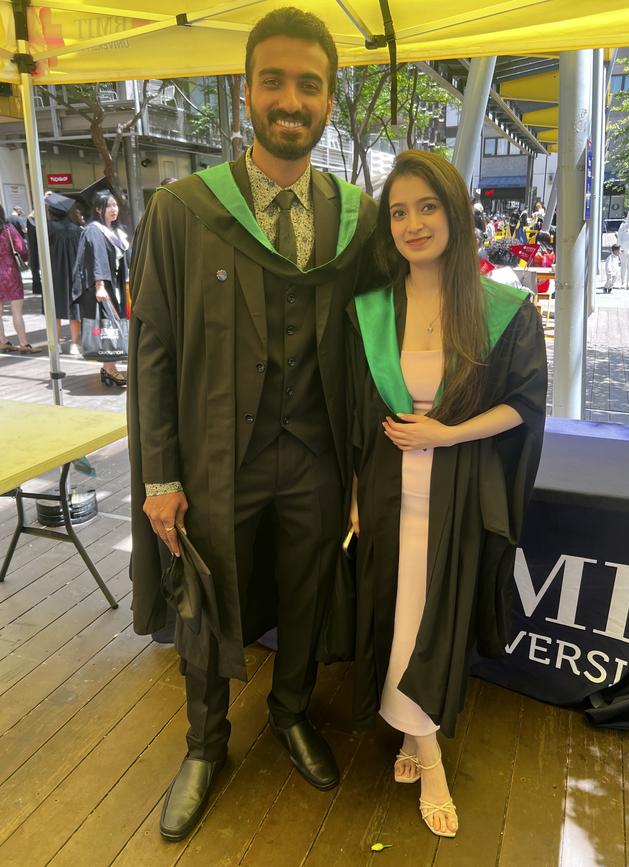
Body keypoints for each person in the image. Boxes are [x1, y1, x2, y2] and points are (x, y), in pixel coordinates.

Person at [127, 7, 376, 842]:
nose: (290, 98)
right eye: (273, 80)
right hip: (214, 457)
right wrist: (161, 477)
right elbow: (153, 349)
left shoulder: (359, 218)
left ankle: (292, 710)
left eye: (309, 83)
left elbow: (383, 335)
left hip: (315, 455)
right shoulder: (183, 211)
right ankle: (204, 743)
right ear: (246, 92)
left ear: (331, 100)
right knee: (206, 596)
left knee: (306, 590)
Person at [345, 151, 547, 839]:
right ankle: (419, 740)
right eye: (398, 211)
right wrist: (351, 488)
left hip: (454, 491)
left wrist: (448, 431)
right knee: (395, 617)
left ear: (456, 213)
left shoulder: (500, 305)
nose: (413, 223)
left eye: (427, 206)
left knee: (431, 620)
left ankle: (423, 749)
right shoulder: (371, 310)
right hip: (385, 491)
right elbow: (350, 411)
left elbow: (525, 402)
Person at [72, 191, 129, 384]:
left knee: (110, 325)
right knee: (107, 326)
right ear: (98, 209)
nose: (114, 210)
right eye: (109, 206)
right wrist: (100, 286)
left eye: (115, 205)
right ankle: (110, 368)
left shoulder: (114, 230)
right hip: (102, 286)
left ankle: (108, 367)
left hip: (114, 285)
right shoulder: (94, 230)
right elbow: (96, 259)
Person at [0, 204, 41, 354]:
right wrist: (25, 259)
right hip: (10, 272)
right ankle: (24, 344)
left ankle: (3, 341)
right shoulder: (8, 229)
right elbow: (22, 249)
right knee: (16, 311)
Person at [45, 193, 84, 347]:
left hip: (53, 273)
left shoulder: (47, 228)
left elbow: (32, 222)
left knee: (54, 309)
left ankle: (55, 345)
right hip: (74, 274)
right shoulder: (78, 230)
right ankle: (75, 344)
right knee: (74, 310)